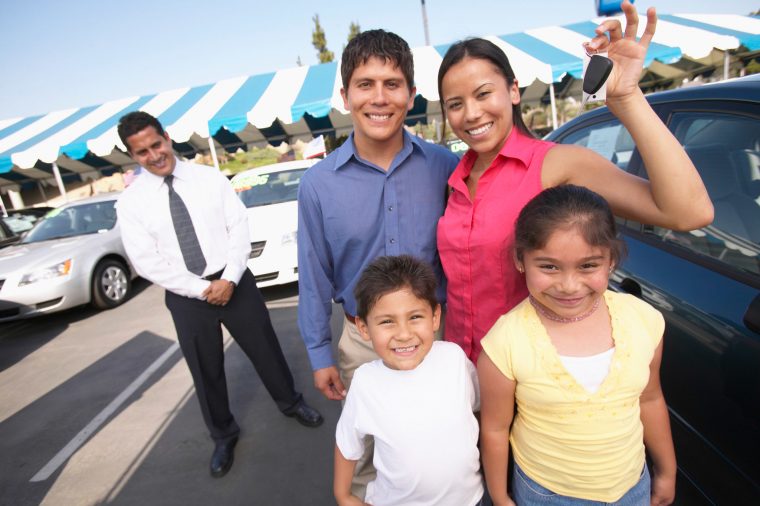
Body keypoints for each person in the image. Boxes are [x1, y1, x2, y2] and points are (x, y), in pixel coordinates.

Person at [436, 0, 713, 364]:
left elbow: (688, 212)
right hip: (463, 375)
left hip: (533, 378)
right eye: (455, 103)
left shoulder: (555, 163)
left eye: (484, 94)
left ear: (514, 91)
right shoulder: (454, 179)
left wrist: (627, 98)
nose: (471, 113)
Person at [115, 111, 323, 479]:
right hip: (186, 296)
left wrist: (227, 279)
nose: (154, 155)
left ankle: (292, 403)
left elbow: (238, 227)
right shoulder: (131, 204)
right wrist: (201, 289)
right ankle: (223, 435)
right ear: (133, 156)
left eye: (156, 144)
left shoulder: (209, 179)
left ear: (167, 137)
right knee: (205, 368)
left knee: (266, 350)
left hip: (235, 282)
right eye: (143, 152)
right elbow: (146, 261)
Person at [297, 29, 458, 497]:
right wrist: (320, 352)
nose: (379, 97)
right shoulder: (318, 184)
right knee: (368, 457)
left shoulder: (444, 166)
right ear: (345, 96)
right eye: (365, 84)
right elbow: (313, 275)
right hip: (362, 344)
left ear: (411, 94)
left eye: (392, 84)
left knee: (440, 442)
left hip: (437, 336)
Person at [478, 184, 676, 505]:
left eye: (588, 266)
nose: (569, 286)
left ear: (611, 260)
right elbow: (495, 430)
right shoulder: (504, 342)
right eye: (549, 266)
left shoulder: (644, 320)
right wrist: (500, 497)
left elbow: (651, 399)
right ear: (520, 259)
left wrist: (667, 471)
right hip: (546, 494)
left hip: (632, 487)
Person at [334, 255, 483, 506]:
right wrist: (343, 495)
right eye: (387, 322)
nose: (404, 334)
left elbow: (476, 410)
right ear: (363, 328)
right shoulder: (365, 382)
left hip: (471, 501)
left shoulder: (454, 359)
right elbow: (347, 444)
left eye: (415, 317)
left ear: (435, 317)